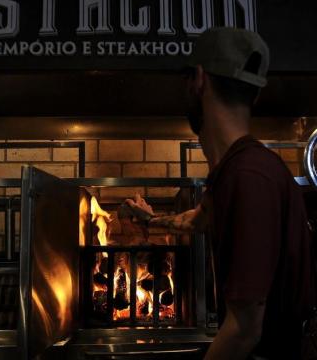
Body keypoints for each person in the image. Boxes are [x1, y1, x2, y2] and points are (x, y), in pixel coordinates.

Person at [124, 27, 316, 359]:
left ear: (198, 80)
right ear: (254, 95)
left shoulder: (248, 177)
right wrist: (150, 219)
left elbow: (244, 330)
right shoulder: (235, 171)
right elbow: (197, 220)